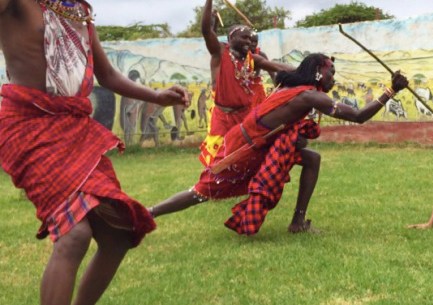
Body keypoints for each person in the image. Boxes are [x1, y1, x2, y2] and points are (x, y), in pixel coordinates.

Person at [0, 1, 189, 304]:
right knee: (74, 235)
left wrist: (156, 96)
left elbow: (108, 75)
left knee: (119, 233)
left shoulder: (78, 12)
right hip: (28, 127)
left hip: (75, 131)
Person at [149, 53, 409, 235]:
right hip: (244, 150)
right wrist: (391, 91)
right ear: (318, 72)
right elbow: (358, 116)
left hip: (258, 144)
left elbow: (278, 67)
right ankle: (149, 213)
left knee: (312, 159)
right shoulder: (308, 96)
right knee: (201, 192)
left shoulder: (288, 82)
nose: (334, 79)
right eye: (331, 73)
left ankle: (298, 222)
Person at [198, 0, 295, 167]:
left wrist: (303, 71)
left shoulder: (253, 58)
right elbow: (206, 31)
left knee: (249, 157)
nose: (249, 42)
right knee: (217, 163)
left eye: (251, 39)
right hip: (223, 117)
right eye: (244, 38)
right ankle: (207, 191)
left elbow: (276, 66)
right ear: (231, 38)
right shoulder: (220, 52)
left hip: (245, 116)